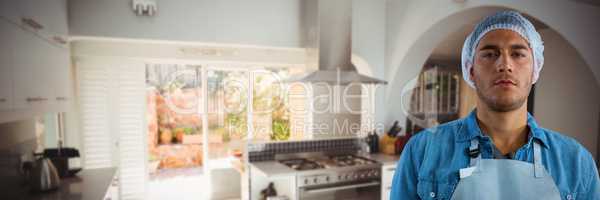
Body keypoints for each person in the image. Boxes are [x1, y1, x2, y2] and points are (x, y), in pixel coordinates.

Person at [390, 10, 600, 200]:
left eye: (517, 54)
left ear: (535, 69)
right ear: (471, 70)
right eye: (490, 54)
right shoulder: (422, 152)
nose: (505, 65)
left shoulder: (577, 163)